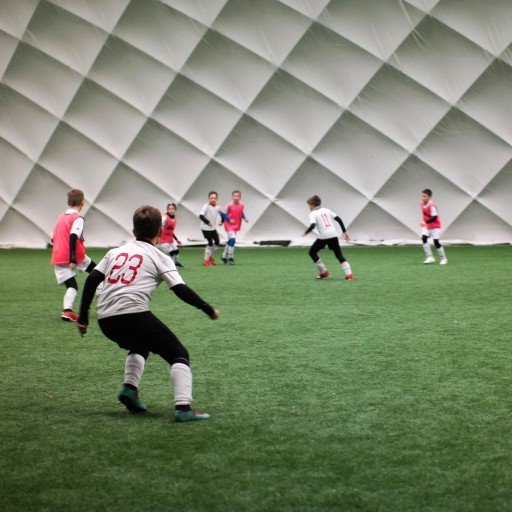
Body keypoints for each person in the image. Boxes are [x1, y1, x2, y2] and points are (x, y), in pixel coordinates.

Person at [76, 205, 219, 423]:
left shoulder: (114, 252)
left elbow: (92, 279)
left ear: (134, 230)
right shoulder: (160, 257)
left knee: (140, 345)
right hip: (133, 314)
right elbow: (180, 289)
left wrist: (83, 317)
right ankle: (183, 408)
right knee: (178, 354)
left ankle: (129, 390)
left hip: (106, 319)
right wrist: (207, 309)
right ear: (159, 232)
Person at [50, 188, 96, 322]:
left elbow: (53, 237)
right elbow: (73, 236)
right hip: (76, 256)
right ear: (82, 202)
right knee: (98, 273)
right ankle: (106, 304)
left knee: (72, 286)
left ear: (68, 202)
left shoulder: (61, 217)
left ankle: (67, 311)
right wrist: (73, 259)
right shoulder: (78, 218)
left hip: (58, 257)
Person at [304, 195, 353, 280]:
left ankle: (324, 272)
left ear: (312, 205)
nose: (308, 207)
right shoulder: (327, 210)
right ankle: (349, 275)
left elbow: (312, 226)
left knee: (312, 252)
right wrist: (344, 232)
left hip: (323, 237)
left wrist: (306, 232)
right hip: (333, 235)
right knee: (339, 255)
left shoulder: (312, 214)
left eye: (309, 205)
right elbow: (339, 219)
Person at [199, 191, 227, 267]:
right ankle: (206, 260)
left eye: (214, 198)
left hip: (212, 228)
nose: (213, 199)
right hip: (205, 228)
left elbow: (222, 214)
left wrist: (222, 221)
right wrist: (207, 222)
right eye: (211, 198)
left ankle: (210, 257)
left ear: (217, 199)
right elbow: (201, 216)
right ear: (209, 199)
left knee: (217, 242)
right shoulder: (206, 206)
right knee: (210, 243)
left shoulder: (218, 207)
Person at [221, 190, 249, 264]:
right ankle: (231, 257)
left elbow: (241, 212)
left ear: (240, 197)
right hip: (228, 224)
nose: (236, 197)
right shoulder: (228, 205)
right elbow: (223, 214)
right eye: (234, 196)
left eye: (238, 196)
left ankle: (223, 256)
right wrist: (229, 220)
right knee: (233, 240)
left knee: (230, 241)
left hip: (236, 224)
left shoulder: (242, 205)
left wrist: (245, 218)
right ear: (232, 197)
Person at [420, 189, 448, 265]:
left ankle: (443, 258)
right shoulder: (421, 203)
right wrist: (425, 223)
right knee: (424, 238)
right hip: (427, 226)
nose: (422, 198)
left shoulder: (432, 206)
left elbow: (434, 218)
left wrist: (425, 222)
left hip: (435, 226)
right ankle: (430, 257)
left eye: (424, 196)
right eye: (422, 196)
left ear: (429, 197)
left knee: (436, 242)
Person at [156, 202, 184, 267]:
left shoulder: (174, 218)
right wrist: (157, 237)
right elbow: (159, 227)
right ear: (167, 210)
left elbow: (171, 231)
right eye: (169, 209)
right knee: (171, 252)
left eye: (172, 209)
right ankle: (171, 266)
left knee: (176, 251)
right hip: (163, 240)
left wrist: (176, 239)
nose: (171, 210)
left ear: (175, 209)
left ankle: (176, 262)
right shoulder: (165, 218)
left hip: (170, 239)